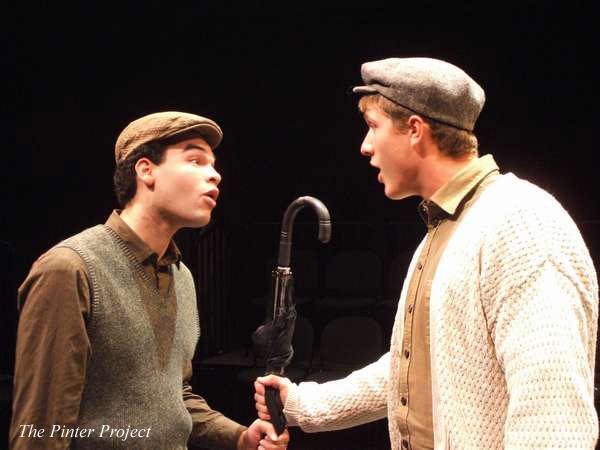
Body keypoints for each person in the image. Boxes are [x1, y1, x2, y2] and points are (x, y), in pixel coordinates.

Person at [254, 58, 599, 449]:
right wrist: (303, 404)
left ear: (415, 130)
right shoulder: (447, 228)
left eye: (373, 127)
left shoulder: (520, 222)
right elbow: (414, 370)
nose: (365, 147)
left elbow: (552, 414)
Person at [11, 111, 289, 450]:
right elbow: (40, 430)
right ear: (146, 170)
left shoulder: (181, 276)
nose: (215, 175)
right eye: (195, 160)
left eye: (214, 165)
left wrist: (238, 437)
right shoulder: (70, 269)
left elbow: (173, 397)